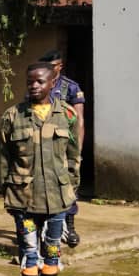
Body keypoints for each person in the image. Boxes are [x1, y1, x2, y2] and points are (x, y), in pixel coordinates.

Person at [0, 63, 80, 276]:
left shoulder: (66, 115)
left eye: (40, 82)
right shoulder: (13, 116)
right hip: (25, 200)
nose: (34, 86)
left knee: (53, 249)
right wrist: (9, 194)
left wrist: (71, 190)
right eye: (30, 81)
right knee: (29, 250)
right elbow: (4, 160)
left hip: (57, 200)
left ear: (52, 84)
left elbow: (73, 157)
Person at [39, 50, 85, 247]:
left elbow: (79, 120)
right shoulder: (39, 84)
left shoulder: (70, 88)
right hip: (44, 144)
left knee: (69, 186)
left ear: (60, 66)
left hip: (66, 145)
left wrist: (78, 151)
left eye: (53, 66)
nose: (50, 69)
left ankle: (70, 226)